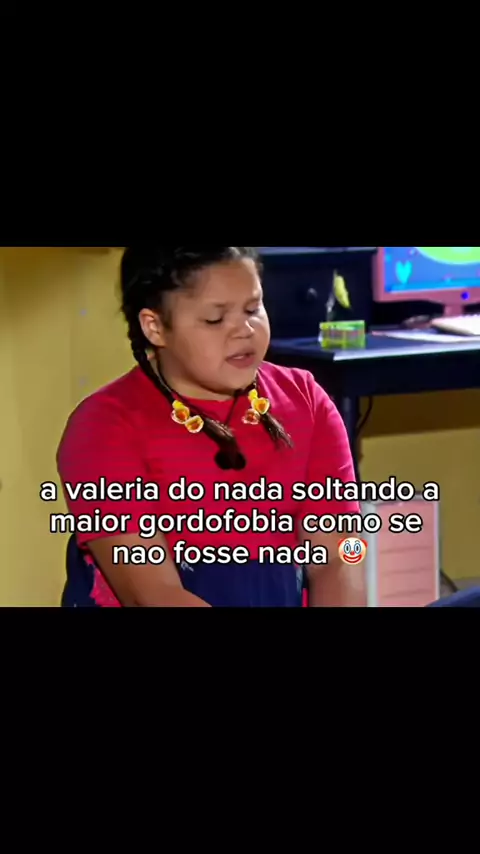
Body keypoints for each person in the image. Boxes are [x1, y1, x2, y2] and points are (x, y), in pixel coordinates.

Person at [57, 246, 366, 608]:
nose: (245, 331)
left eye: (253, 309)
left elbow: (337, 558)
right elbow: (154, 595)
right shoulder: (103, 428)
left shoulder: (306, 401)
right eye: (215, 319)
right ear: (155, 327)